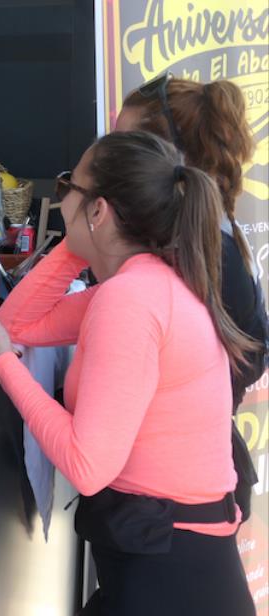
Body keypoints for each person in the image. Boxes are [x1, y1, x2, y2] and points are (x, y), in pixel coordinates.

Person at [0, 132, 258, 616]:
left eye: (69, 185)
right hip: (154, 579)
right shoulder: (139, 284)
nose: (59, 195)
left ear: (99, 208)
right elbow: (16, 324)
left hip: (172, 603)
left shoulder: (130, 300)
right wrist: (81, 240)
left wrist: (3, 364)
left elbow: (88, 465)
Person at [116, 74, 268, 518]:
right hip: (178, 484)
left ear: (167, 155)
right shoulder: (200, 234)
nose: (111, 157)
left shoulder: (204, 248)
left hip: (183, 499)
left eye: (123, 144)